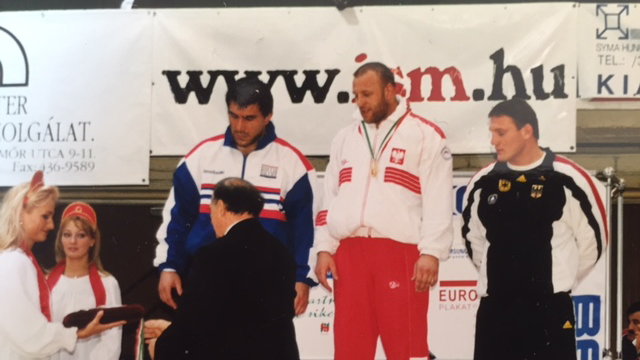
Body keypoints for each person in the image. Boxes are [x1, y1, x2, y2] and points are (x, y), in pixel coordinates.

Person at [314, 62, 453, 360]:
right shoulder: (345, 138)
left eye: (367, 94)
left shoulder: (426, 136)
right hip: (350, 254)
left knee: (407, 348)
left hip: (400, 254)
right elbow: (330, 200)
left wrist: (430, 252)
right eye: (356, 95)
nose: (360, 102)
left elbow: (439, 201)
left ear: (390, 91)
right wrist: (325, 247)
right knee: (350, 349)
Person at [155, 76, 315, 315]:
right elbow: (177, 219)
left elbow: (306, 230)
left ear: (268, 116)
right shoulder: (200, 158)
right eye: (234, 116)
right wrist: (169, 266)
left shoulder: (292, 164)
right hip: (206, 279)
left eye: (249, 118)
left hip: (266, 283)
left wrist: (302, 277)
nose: (240, 127)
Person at [462, 98, 607, 360]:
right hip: (496, 310)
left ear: (527, 131)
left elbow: (593, 243)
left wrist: (561, 278)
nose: (494, 141)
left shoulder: (567, 178)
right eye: (492, 133)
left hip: (549, 310)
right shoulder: (483, 182)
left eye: (501, 133)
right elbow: (474, 241)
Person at [146, 177, 299, 360]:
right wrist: (168, 328)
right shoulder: (281, 252)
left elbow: (197, 319)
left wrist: (162, 346)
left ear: (220, 207)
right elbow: (247, 320)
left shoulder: (213, 255)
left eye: (210, 211)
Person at [0, 171, 124, 360]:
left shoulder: (22, 261)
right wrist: (75, 334)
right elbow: (29, 335)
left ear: (92, 240)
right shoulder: (14, 262)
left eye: (81, 235)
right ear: (21, 214)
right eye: (45, 216)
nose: (51, 225)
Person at [48, 202, 122, 360]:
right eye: (67, 234)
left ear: (92, 240)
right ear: (60, 239)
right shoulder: (46, 283)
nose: (72, 241)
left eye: (81, 235)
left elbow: (112, 340)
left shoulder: (107, 284)